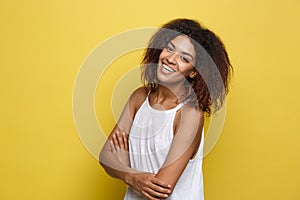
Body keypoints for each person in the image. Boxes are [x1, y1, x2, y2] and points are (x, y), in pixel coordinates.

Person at [99, 18, 232, 200]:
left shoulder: (190, 115)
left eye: (184, 58)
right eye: (169, 48)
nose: (170, 59)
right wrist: (131, 175)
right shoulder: (139, 98)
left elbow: (162, 189)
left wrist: (123, 167)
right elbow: (105, 156)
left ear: (193, 71)